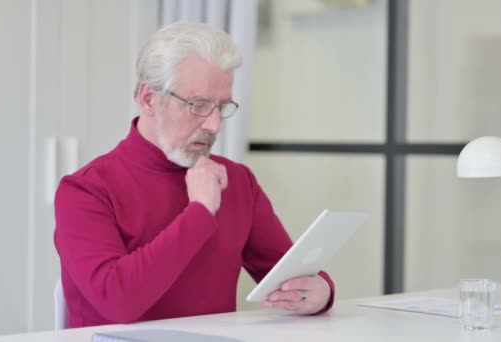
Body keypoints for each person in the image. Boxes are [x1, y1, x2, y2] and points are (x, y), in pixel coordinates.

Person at [53, 22, 334, 328]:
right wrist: (199, 212)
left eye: (222, 107)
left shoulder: (237, 181)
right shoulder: (86, 190)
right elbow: (118, 303)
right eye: (198, 105)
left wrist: (321, 292)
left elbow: (286, 276)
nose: (213, 125)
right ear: (149, 99)